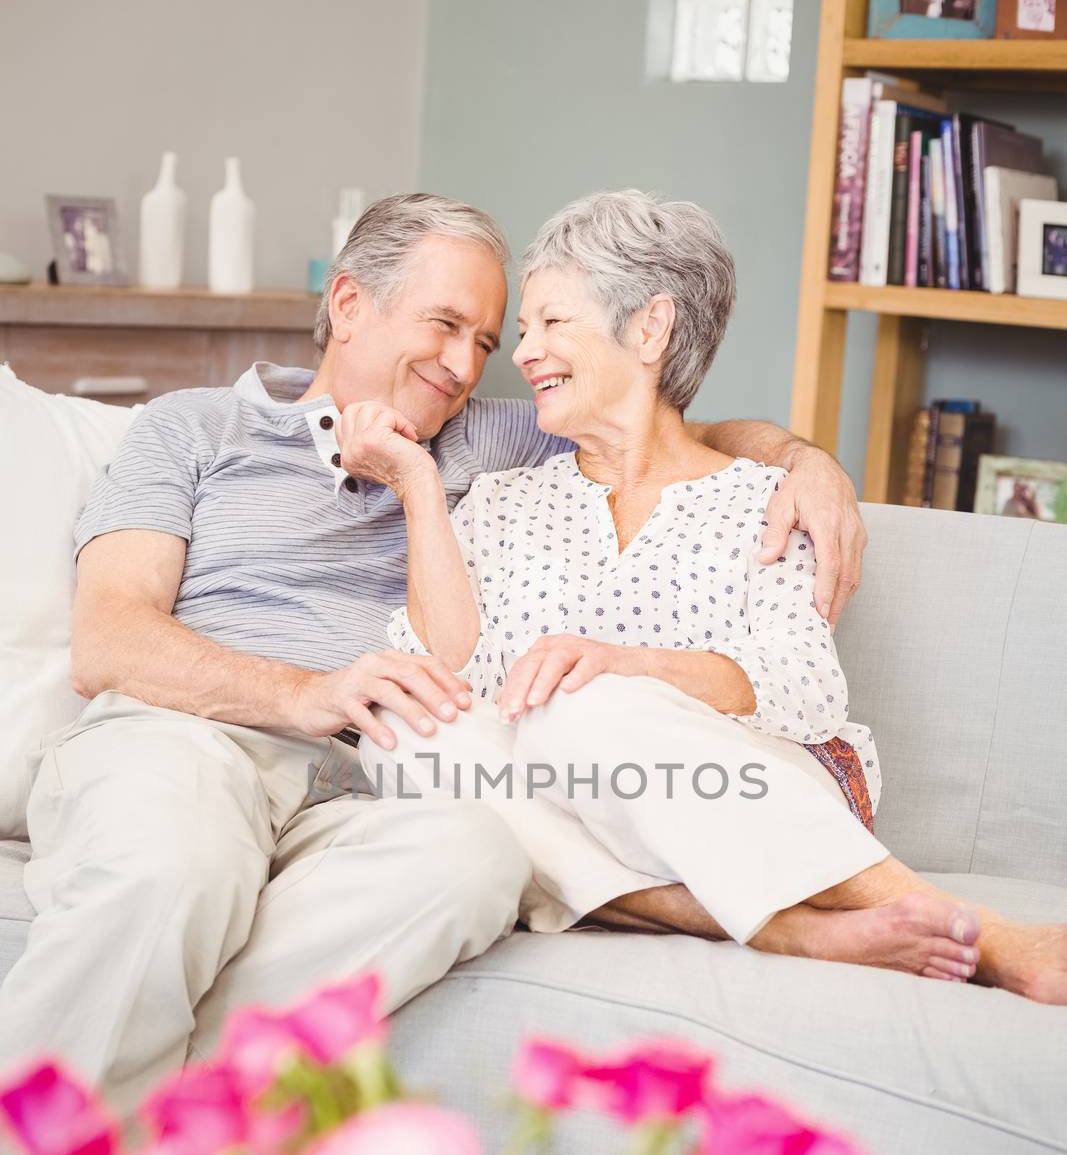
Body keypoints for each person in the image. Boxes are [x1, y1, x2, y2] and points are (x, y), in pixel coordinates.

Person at [0, 193, 870, 1103]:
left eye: (485, 343)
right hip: (183, 739)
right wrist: (304, 694)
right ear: (347, 305)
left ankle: (178, 1118)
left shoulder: (491, 439)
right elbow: (109, 639)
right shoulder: (194, 428)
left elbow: (660, 425)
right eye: (445, 325)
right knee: (177, 859)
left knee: (478, 859)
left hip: (367, 781)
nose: (462, 366)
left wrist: (810, 465)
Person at [350, 190, 1067, 1006]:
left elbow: (807, 687)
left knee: (586, 709)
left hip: (747, 793)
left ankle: (982, 932)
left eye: (552, 324)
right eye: (522, 332)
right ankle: (784, 928)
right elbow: (445, 676)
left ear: (650, 329)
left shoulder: (768, 498)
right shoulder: (502, 500)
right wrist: (415, 485)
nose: (522, 354)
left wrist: (630, 670)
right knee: (401, 729)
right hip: (574, 814)